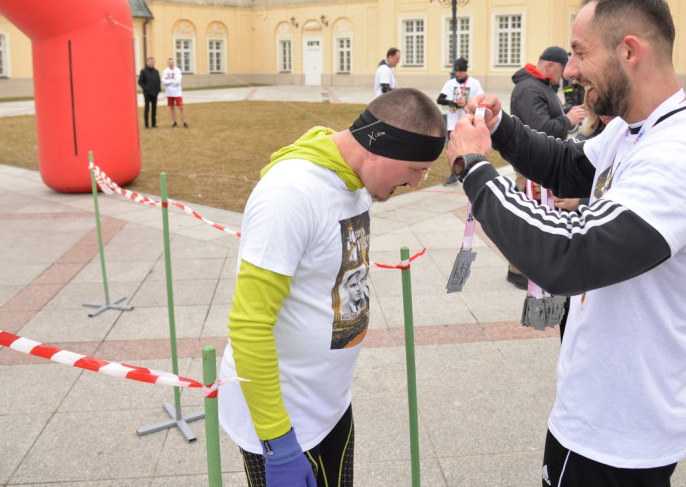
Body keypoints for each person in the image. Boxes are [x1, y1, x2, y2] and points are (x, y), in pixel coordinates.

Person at [447, 0, 686, 485]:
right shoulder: (633, 128)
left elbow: (569, 255)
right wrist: (501, 130)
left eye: (580, 52)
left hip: (621, 430)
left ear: (630, 51)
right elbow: (569, 166)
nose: (568, 70)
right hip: (598, 404)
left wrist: (474, 169)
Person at [218, 88, 445, 487]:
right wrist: (278, 443)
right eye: (414, 168)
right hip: (283, 424)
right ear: (380, 147)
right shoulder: (289, 195)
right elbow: (249, 326)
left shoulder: (355, 179)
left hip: (329, 405)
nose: (416, 181)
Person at [505, 45, 587, 289]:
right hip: (532, 166)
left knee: (539, 216)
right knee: (530, 218)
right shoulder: (529, 88)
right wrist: (568, 119)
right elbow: (538, 126)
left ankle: (528, 267)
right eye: (563, 69)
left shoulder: (540, 86)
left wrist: (564, 119)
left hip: (542, 163)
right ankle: (518, 270)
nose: (566, 75)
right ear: (550, 65)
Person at [437, 57, 484, 185]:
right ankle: (453, 174)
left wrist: (467, 103)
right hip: (453, 123)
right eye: (457, 71)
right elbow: (439, 99)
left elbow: (482, 102)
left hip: (468, 122)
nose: (459, 74)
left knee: (469, 149)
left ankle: (471, 174)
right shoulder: (450, 84)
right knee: (453, 150)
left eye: (461, 71)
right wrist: (452, 102)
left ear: (465, 71)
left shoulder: (474, 83)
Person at [162, 57, 187, 128]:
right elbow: (163, 80)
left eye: (172, 62)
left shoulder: (177, 70)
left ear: (174, 63)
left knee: (181, 107)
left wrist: (169, 81)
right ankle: (174, 122)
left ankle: (184, 122)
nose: (171, 63)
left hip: (177, 92)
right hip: (169, 93)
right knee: (171, 107)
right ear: (167, 63)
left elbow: (178, 82)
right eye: (169, 62)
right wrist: (171, 80)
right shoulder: (165, 71)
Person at [138, 56, 161, 129]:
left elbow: (158, 81)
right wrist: (146, 88)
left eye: (152, 62)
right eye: (150, 62)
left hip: (155, 93)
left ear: (154, 63)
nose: (151, 63)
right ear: (147, 63)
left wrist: (158, 90)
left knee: (154, 108)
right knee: (147, 109)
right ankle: (146, 125)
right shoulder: (143, 71)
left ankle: (154, 124)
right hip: (147, 93)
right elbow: (140, 81)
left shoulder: (156, 71)